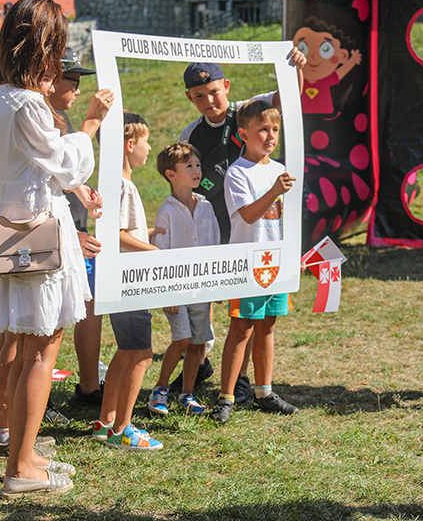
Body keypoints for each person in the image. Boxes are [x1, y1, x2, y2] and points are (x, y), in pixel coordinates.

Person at [0, 0, 108, 498]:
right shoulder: (25, 103)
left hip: (10, 230)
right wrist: (88, 124)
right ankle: (21, 467)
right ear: (43, 45)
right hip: (35, 234)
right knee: (41, 349)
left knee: (26, 346)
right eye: (56, 45)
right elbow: (65, 167)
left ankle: (22, 452)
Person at [176, 48, 306, 401]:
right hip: (219, 219)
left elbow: (287, 98)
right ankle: (201, 362)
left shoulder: (249, 109)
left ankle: (243, 380)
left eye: (214, 92)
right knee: (211, 299)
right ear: (191, 99)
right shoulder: (191, 132)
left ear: (227, 87)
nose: (209, 100)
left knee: (248, 310)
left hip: (257, 227)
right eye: (200, 96)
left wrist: (293, 63)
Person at [209, 100, 299, 423]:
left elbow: (286, 219)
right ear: (244, 134)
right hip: (248, 263)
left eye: (275, 129)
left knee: (268, 327)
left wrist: (293, 255)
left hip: (275, 263)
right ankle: (227, 397)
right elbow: (248, 215)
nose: (271, 136)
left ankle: (264, 391)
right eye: (263, 129)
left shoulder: (280, 170)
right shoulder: (237, 173)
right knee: (241, 328)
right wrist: (275, 190)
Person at [90, 112, 163, 451]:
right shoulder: (123, 185)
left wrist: (147, 234)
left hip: (119, 279)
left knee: (126, 350)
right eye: (146, 141)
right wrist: (155, 252)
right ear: (129, 144)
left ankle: (105, 422)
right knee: (142, 353)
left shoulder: (113, 184)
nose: (149, 148)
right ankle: (123, 429)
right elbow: (116, 236)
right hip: (128, 281)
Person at [46, 47, 112, 410]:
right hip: (50, 239)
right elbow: (35, 188)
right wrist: (92, 122)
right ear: (49, 80)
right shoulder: (39, 120)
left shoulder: (59, 119)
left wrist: (81, 191)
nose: (77, 88)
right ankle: (9, 406)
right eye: (72, 80)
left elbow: (62, 174)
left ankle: (88, 386)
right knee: (43, 324)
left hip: (74, 232)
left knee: (88, 306)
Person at [146, 142, 220, 416]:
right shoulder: (166, 211)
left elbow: (214, 244)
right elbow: (162, 254)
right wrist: (168, 294)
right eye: (188, 165)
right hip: (176, 290)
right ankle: (160, 389)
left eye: (198, 165)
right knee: (182, 339)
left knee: (198, 341)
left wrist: (216, 284)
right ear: (171, 174)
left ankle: (187, 394)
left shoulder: (206, 206)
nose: (196, 170)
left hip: (202, 288)